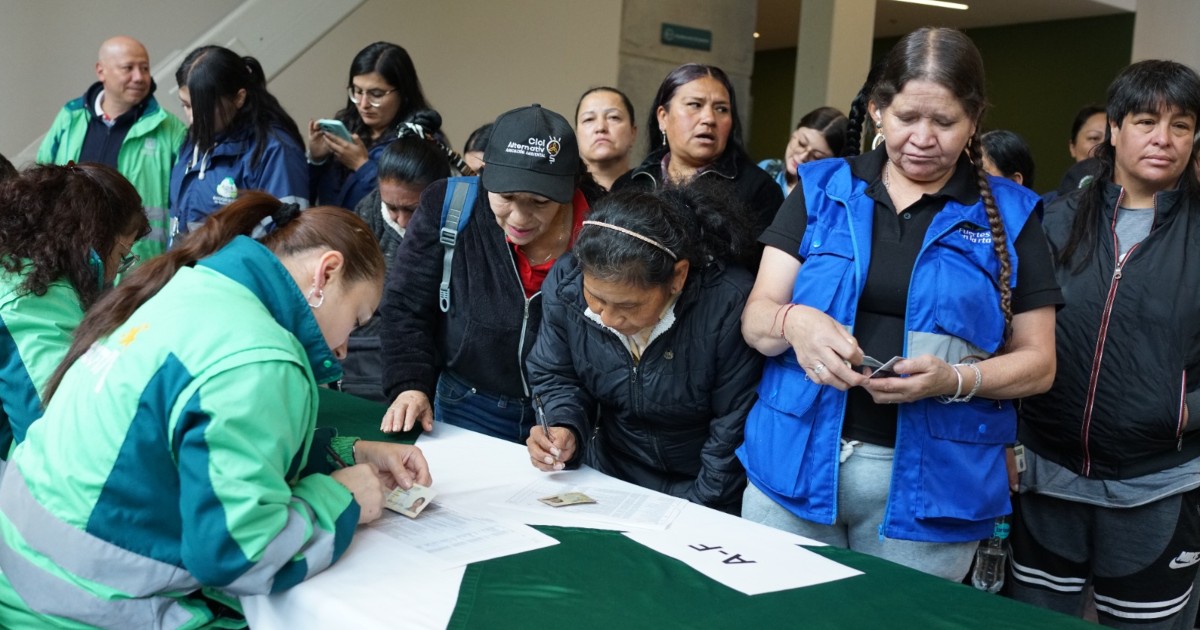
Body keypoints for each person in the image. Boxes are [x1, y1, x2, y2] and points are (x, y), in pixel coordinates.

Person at [0, 193, 432, 627]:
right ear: (327, 273)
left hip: (27, 570)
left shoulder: (191, 288)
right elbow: (237, 555)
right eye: (356, 319)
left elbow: (195, 441)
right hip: (85, 607)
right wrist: (341, 499)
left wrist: (344, 452)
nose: (344, 350)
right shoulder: (260, 356)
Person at [736, 27, 1061, 582]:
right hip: (792, 468)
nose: (923, 138)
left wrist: (954, 380)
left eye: (945, 122)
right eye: (907, 117)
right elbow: (756, 319)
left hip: (935, 492)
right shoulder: (820, 189)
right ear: (879, 110)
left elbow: (1040, 364)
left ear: (974, 119)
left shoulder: (1013, 216)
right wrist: (794, 321)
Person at [1010, 60, 1200, 629]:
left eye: (1182, 126)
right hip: (1046, 478)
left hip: (1158, 487)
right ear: (1114, 128)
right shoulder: (1052, 221)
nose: (1164, 139)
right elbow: (1006, 338)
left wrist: (1183, 410)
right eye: (1146, 122)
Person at [525, 185, 762, 514]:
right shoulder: (567, 283)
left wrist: (699, 510)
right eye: (596, 299)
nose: (607, 319)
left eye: (628, 306)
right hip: (609, 475)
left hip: (701, 485)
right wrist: (564, 425)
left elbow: (732, 428)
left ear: (678, 277)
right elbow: (556, 373)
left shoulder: (727, 304)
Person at [380, 104, 601, 443]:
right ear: (486, 176)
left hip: (570, 411)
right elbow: (405, 304)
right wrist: (410, 384)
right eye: (506, 197)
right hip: (468, 402)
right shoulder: (450, 206)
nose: (520, 218)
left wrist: (570, 421)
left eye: (540, 202)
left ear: (569, 187)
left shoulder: (601, 225)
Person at [0, 163, 148, 467]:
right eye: (122, 256)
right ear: (94, 239)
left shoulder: (22, 268)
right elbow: (57, 430)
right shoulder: (31, 301)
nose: (115, 275)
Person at [38, 36, 187, 261]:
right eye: (128, 68)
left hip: (139, 265)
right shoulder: (70, 117)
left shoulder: (169, 128)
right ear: (101, 71)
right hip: (69, 257)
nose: (139, 77)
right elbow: (42, 182)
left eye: (145, 68)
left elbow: (185, 202)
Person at [342, 130, 452, 403]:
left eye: (413, 210)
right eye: (391, 208)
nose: (402, 221)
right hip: (371, 360)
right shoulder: (366, 216)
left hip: (442, 360)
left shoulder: (458, 220)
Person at [612, 64, 784, 238]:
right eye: (695, 105)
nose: (709, 119)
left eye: (721, 109)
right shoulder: (628, 184)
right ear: (663, 117)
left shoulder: (759, 190)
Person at [169, 45, 308, 245]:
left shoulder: (276, 150)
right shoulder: (194, 140)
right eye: (186, 105)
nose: (193, 119)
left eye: (203, 109)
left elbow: (287, 239)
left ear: (239, 98)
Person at [309, 42, 439, 211]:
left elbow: (409, 208)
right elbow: (309, 197)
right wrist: (316, 160)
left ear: (404, 93)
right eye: (357, 91)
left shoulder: (422, 139)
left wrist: (362, 166)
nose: (364, 104)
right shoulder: (347, 125)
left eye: (376, 94)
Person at [759, 106, 849, 197]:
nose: (803, 157)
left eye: (816, 156)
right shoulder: (767, 169)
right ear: (794, 133)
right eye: (801, 143)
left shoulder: (826, 201)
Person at [575, 87, 637, 190]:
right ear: (576, 134)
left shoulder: (651, 189)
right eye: (588, 119)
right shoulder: (564, 193)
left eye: (613, 117)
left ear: (633, 132)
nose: (600, 127)